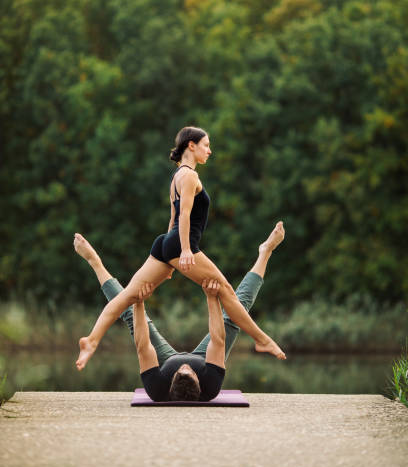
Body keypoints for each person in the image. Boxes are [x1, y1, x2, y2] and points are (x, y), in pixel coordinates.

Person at [76, 126, 286, 371]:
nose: (210, 150)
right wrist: (185, 251)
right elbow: (184, 215)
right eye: (206, 145)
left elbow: (173, 218)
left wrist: (168, 257)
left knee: (128, 297)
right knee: (226, 291)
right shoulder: (189, 176)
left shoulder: (177, 176)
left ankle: (91, 340)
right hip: (179, 244)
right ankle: (261, 340)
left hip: (166, 243)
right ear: (191, 145)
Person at [73, 222, 285, 401]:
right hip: (206, 357)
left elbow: (142, 345)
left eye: (180, 371)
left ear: (172, 379)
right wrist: (212, 298)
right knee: (236, 311)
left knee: (130, 311)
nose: (184, 364)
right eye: (189, 371)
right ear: (197, 378)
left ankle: (95, 262)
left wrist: (139, 302)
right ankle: (265, 251)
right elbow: (218, 341)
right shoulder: (211, 384)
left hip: (164, 361)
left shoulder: (156, 388)